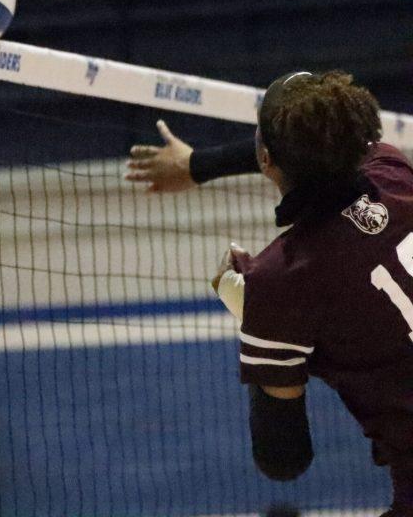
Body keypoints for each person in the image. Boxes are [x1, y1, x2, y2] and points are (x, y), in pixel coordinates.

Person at [127, 71, 413, 516]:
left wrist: (252, 319)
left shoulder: (281, 282)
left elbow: (284, 460)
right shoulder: (395, 175)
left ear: (265, 158)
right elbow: (326, 143)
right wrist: (198, 164)